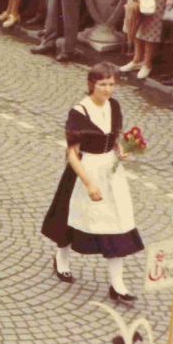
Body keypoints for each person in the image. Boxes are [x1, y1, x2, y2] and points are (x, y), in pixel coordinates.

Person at [41, 63, 143, 300]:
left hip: (110, 171)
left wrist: (119, 149)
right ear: (92, 84)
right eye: (103, 85)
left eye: (111, 84)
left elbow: (113, 136)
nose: (108, 89)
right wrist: (88, 183)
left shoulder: (114, 105)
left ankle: (117, 285)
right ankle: (62, 259)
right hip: (84, 170)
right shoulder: (79, 112)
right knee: (70, 217)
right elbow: (72, 154)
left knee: (117, 220)